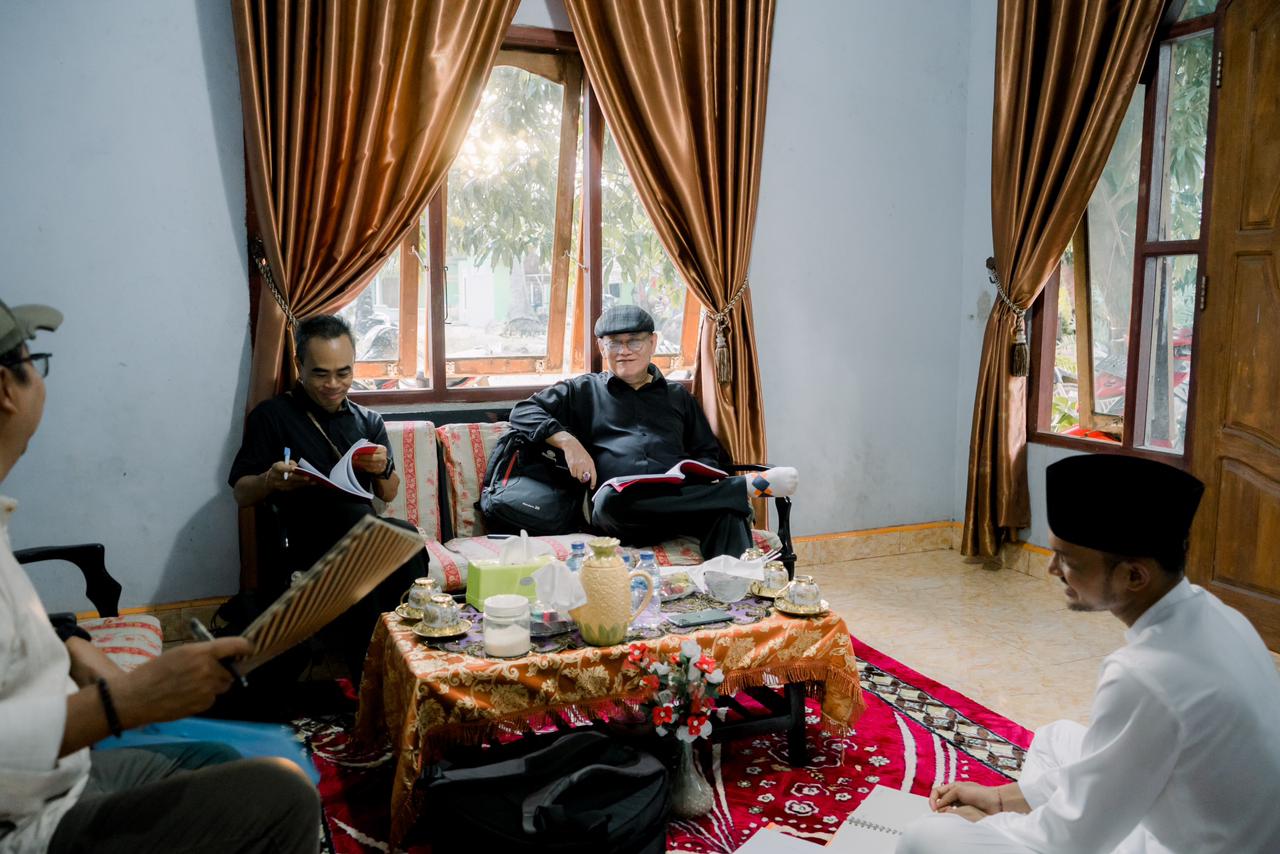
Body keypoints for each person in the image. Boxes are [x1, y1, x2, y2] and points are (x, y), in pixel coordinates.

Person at [0, 299, 320, 853]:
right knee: (285, 795)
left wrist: (70, 640)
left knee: (217, 758)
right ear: (7, 389)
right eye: (36, 361)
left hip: (65, 774)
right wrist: (128, 700)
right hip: (27, 822)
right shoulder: (275, 417)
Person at [897, 454, 1280, 854]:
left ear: (1134, 576)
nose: (1052, 570)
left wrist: (989, 825)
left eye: (1067, 559)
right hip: (1192, 824)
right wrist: (998, 799)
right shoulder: (1221, 614)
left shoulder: (1144, 675)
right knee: (1055, 737)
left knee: (925, 836)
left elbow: (1071, 840)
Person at [507, 305, 797, 559]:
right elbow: (522, 411)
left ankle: (733, 592)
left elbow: (707, 452)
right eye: (614, 343)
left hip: (681, 506)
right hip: (623, 513)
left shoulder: (678, 396)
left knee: (728, 511)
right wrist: (568, 442)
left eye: (634, 341)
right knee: (609, 501)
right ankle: (741, 488)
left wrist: (698, 474)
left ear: (653, 342)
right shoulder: (582, 391)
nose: (624, 351)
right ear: (601, 347)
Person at [229, 314, 427, 681]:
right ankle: (375, 675)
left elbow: (388, 492)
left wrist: (381, 468)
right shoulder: (272, 416)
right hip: (307, 541)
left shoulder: (368, 421)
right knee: (372, 539)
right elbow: (242, 493)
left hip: (364, 537)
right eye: (320, 374)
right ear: (299, 365)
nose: (333, 385)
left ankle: (400, 662)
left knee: (406, 538)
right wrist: (270, 480)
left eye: (343, 373)